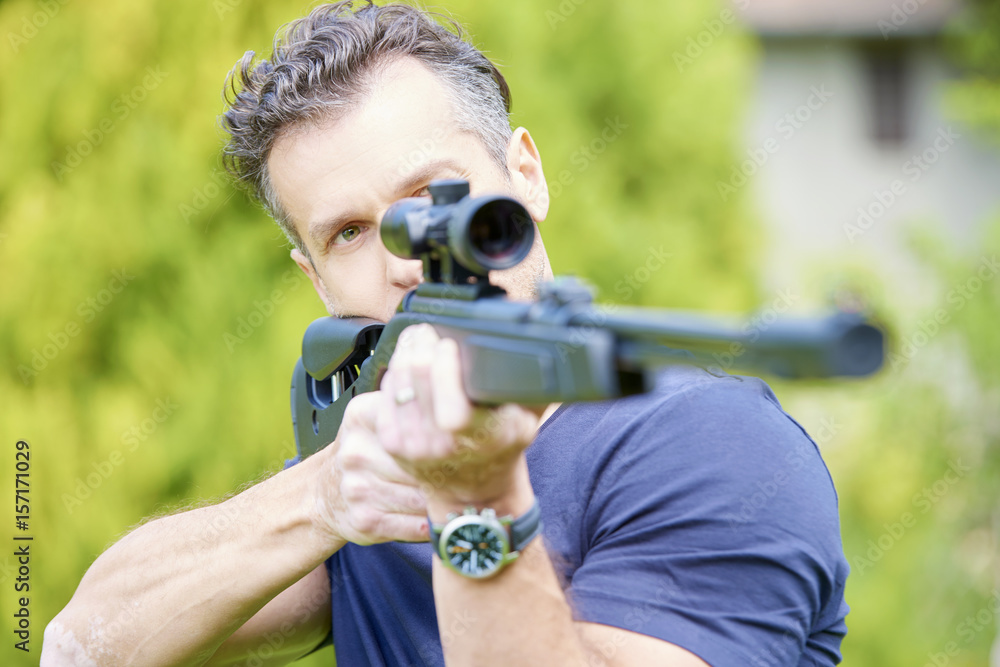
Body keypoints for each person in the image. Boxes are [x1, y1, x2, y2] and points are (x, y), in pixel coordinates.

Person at [42, 2, 849, 665]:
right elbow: (81, 647)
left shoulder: (714, 444)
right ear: (315, 278)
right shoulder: (366, 467)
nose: (407, 260)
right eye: (349, 233)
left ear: (525, 174)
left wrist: (475, 494)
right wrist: (321, 497)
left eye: (433, 195)